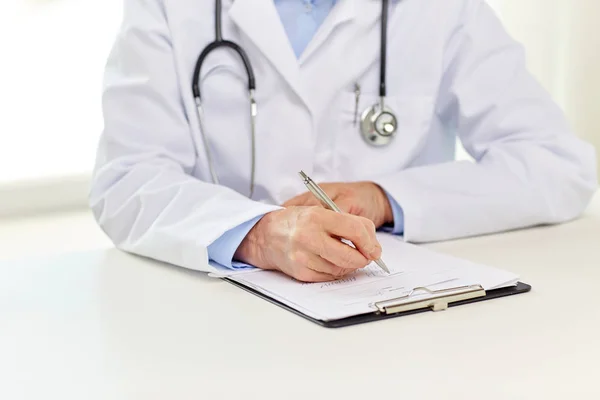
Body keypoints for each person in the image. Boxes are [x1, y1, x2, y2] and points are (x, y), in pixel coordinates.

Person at [90, 0, 597, 283]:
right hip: (213, 320)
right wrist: (257, 233)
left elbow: (557, 164)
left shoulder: (446, 10)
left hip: (391, 320)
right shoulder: (167, 9)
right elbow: (126, 180)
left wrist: (385, 197)